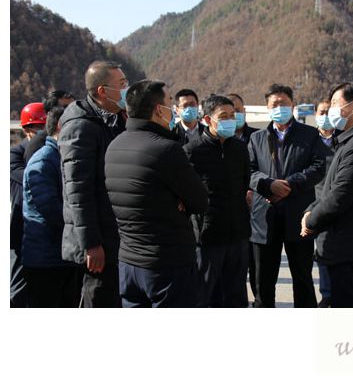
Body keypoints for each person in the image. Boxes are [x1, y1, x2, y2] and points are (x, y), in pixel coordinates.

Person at [105, 80, 208, 307]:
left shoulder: (114, 146)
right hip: (167, 263)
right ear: (159, 110)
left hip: (129, 261)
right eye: (169, 102)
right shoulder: (165, 149)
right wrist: (178, 200)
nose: (172, 110)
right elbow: (200, 201)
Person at [301, 82, 353, 308]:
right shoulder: (350, 140)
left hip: (351, 249)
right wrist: (311, 209)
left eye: (335, 104)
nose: (331, 111)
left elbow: (340, 195)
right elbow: (330, 187)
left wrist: (310, 220)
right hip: (344, 246)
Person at [248, 83, 326, 308]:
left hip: (298, 214)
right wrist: (269, 185)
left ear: (293, 105)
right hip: (264, 217)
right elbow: (249, 171)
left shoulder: (310, 134)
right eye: (274, 104)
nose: (279, 108)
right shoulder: (257, 138)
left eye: (284, 103)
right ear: (267, 107)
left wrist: (289, 185)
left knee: (302, 278)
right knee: (263, 281)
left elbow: (318, 167)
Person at [59, 60, 128, 307]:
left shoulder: (114, 119)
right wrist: (91, 243)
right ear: (102, 91)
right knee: (98, 298)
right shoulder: (81, 126)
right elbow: (78, 191)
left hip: (115, 235)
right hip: (98, 241)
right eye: (122, 84)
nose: (127, 89)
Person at [183, 95, 251, 307]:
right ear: (207, 119)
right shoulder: (192, 151)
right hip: (207, 237)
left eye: (232, 115)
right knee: (204, 295)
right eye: (223, 116)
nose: (230, 120)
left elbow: (244, 184)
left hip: (238, 234)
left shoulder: (240, 148)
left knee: (236, 296)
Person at [22, 106, 79, 307]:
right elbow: (51, 210)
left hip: (60, 256)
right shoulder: (44, 161)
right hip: (45, 259)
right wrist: (80, 227)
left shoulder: (60, 156)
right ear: (61, 126)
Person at [10, 102, 47, 307]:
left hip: (44, 233)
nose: (43, 133)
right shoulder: (15, 155)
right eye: (38, 128)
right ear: (27, 130)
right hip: (22, 230)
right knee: (19, 287)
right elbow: (31, 178)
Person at [226, 92, 259, 298]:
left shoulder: (258, 136)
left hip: (256, 214)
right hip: (229, 219)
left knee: (257, 272)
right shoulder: (214, 141)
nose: (233, 116)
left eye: (237, 111)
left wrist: (252, 189)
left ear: (244, 111)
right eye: (228, 113)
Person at [313, 97, 342, 308]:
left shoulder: (344, 139)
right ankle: (327, 293)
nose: (325, 116)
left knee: (341, 252)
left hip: (340, 201)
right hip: (316, 203)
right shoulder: (309, 140)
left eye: (328, 112)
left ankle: (341, 293)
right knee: (321, 251)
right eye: (321, 112)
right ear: (315, 115)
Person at [24, 90, 75, 163]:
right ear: (51, 113)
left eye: (74, 107)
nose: (73, 112)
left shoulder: (79, 137)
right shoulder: (38, 144)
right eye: (66, 108)